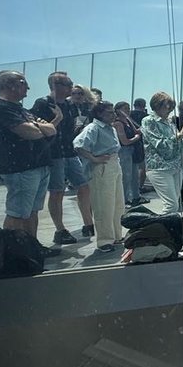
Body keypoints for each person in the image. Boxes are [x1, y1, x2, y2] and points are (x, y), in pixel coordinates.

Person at [0, 71, 60, 251]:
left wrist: (38, 127)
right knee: (17, 213)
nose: (28, 87)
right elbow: (29, 132)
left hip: (38, 166)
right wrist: (39, 127)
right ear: (12, 85)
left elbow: (51, 129)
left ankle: (31, 248)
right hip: (20, 169)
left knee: (31, 211)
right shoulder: (0, 108)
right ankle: (11, 253)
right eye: (23, 83)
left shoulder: (21, 110)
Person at [32, 72, 95, 244]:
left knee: (83, 186)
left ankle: (88, 223)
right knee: (57, 191)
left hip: (69, 151)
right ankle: (60, 229)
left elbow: (71, 128)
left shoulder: (68, 106)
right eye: (68, 84)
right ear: (56, 85)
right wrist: (57, 119)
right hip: (53, 154)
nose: (71, 87)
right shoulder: (43, 104)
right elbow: (38, 129)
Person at [74, 102, 126, 252]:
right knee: (104, 205)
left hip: (114, 164)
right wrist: (94, 159)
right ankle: (104, 240)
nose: (113, 115)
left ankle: (116, 234)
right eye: (109, 113)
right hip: (102, 167)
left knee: (117, 203)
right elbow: (78, 145)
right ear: (99, 114)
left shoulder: (110, 128)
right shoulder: (93, 128)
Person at [140, 91, 183, 214]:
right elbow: (160, 145)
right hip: (160, 168)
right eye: (166, 105)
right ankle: (159, 230)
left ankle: (168, 231)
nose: (169, 109)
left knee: (174, 205)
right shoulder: (149, 121)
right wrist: (180, 135)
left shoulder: (169, 123)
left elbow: (179, 147)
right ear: (157, 105)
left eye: (171, 106)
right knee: (171, 206)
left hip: (176, 167)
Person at [113, 101, 145, 206]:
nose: (128, 110)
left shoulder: (127, 120)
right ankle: (124, 199)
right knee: (126, 176)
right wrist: (136, 138)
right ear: (118, 110)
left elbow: (136, 131)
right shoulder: (118, 123)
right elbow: (124, 141)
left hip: (133, 151)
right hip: (124, 151)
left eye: (128, 108)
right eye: (125, 108)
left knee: (134, 175)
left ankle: (136, 196)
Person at [130, 97, 149, 192]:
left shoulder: (128, 115)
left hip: (129, 142)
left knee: (130, 168)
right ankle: (139, 187)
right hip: (141, 142)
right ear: (144, 105)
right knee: (142, 167)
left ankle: (130, 187)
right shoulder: (146, 117)